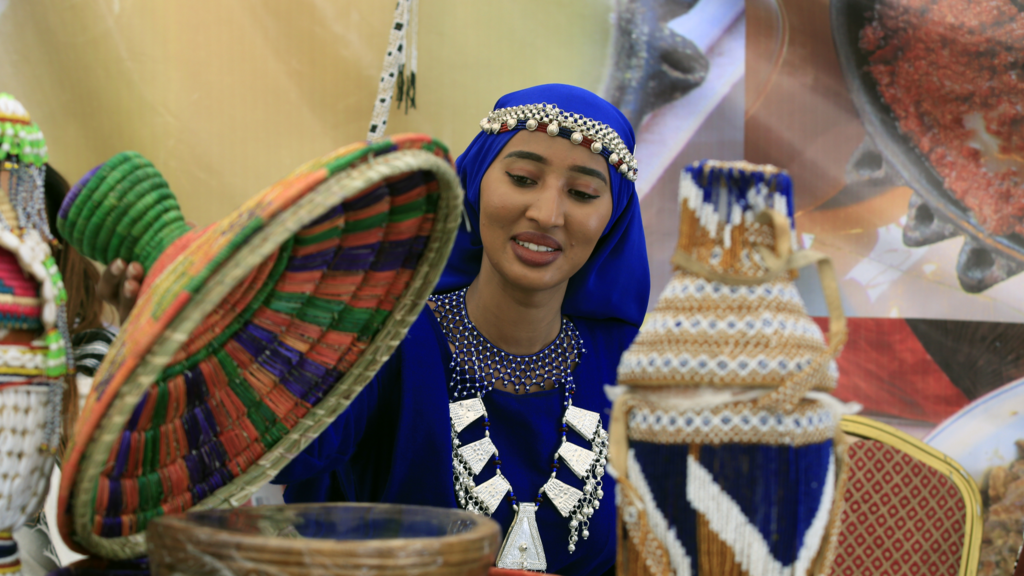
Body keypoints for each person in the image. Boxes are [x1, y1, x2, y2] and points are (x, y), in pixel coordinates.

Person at [276, 84, 649, 575]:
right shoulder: (392, 341)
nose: (546, 214)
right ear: (473, 183)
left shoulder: (630, 368)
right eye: (522, 178)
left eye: (581, 193)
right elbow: (274, 448)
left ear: (613, 218)